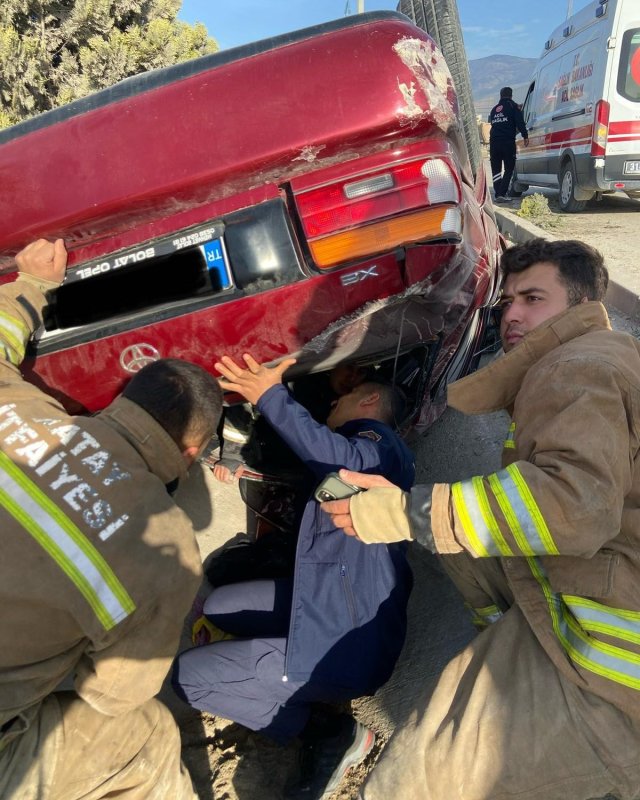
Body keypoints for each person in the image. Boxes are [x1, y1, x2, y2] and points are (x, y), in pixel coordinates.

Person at [321, 238, 640, 800]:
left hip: (607, 670)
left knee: (409, 782)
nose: (511, 314)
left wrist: (403, 511)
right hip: (584, 630)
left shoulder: (578, 365)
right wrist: (423, 501)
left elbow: (572, 505)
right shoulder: (596, 361)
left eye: (532, 298)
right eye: (507, 301)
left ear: (581, 303)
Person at [0, 239, 224, 799]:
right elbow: (111, 694)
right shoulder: (167, 551)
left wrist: (31, 285)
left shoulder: (15, 404)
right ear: (191, 455)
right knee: (143, 736)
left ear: (123, 398)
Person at [172, 353, 415, 799]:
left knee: (188, 677)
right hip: (332, 606)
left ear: (371, 401)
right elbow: (317, 451)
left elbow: (330, 450)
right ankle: (279, 670)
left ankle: (327, 731)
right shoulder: (366, 460)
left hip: (346, 647)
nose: (330, 410)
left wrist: (268, 395)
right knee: (223, 606)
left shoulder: (381, 448)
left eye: (340, 402)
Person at [488, 86, 529, 202]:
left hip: (494, 142)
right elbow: (520, 122)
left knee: (496, 169)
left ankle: (497, 193)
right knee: (509, 168)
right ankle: (502, 193)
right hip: (507, 142)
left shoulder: (494, 109)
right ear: (511, 95)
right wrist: (525, 136)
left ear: (500, 96)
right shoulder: (513, 107)